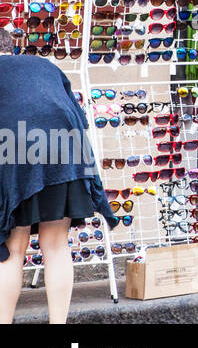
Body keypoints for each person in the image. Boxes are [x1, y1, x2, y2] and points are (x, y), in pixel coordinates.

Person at [0, 34, 117, 324]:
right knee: (56, 244)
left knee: (14, 249)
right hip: (66, 148)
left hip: (17, 148)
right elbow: (77, 114)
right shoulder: (43, 65)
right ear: (9, 47)